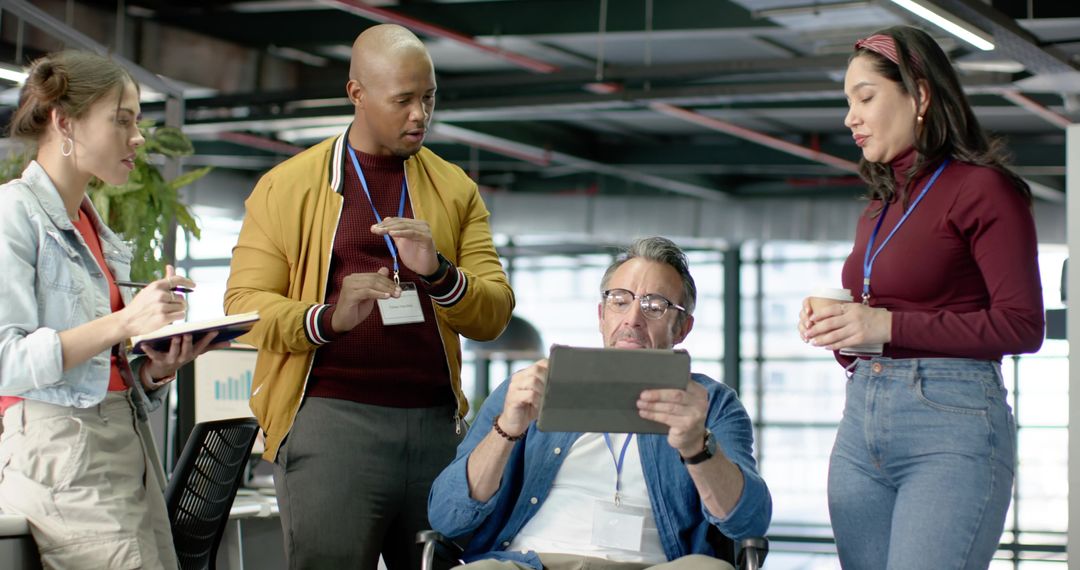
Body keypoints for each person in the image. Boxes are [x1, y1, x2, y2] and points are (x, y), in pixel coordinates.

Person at [224, 24, 515, 570]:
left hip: (435, 426)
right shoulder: (287, 187)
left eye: (429, 98)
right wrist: (329, 318)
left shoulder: (455, 189)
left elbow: (494, 312)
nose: (420, 115)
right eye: (403, 100)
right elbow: (243, 306)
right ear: (356, 94)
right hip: (332, 422)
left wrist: (438, 273)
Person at [797, 26, 1044, 569]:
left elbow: (1023, 326)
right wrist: (843, 329)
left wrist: (885, 327)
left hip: (949, 425)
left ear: (920, 95)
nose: (850, 118)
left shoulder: (984, 189)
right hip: (861, 421)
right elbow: (880, 328)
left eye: (866, 97)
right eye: (847, 103)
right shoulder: (879, 206)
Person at [0, 50, 223, 569]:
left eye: (138, 122)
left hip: (124, 443)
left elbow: (102, 372)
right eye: (121, 121)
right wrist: (127, 320)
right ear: (65, 122)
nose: (138, 137)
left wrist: (152, 369)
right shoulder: (14, 212)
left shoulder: (92, 226)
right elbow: (8, 361)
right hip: (66, 451)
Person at [429, 237, 771, 570]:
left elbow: (749, 522)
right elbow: (446, 517)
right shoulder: (528, 389)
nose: (633, 318)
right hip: (531, 561)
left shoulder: (710, 403)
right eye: (620, 300)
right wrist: (506, 429)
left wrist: (698, 448)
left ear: (682, 327)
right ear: (601, 314)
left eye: (655, 306)